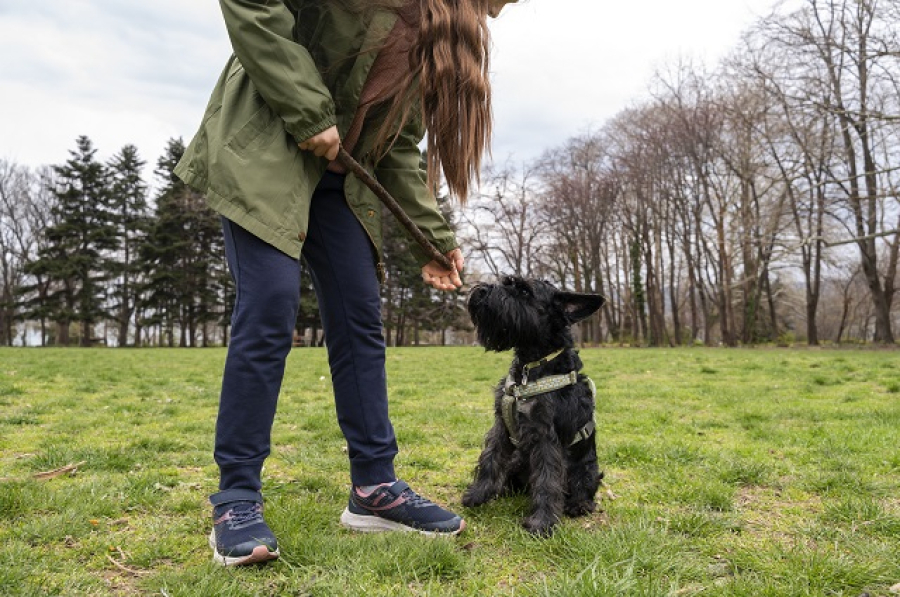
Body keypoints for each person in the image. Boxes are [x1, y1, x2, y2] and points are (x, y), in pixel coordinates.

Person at [175, 0, 519, 566]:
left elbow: (399, 146)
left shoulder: (438, 36)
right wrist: (310, 113)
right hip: (266, 150)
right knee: (270, 305)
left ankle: (374, 490)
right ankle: (236, 495)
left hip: (339, 182)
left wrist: (431, 238)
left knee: (361, 318)